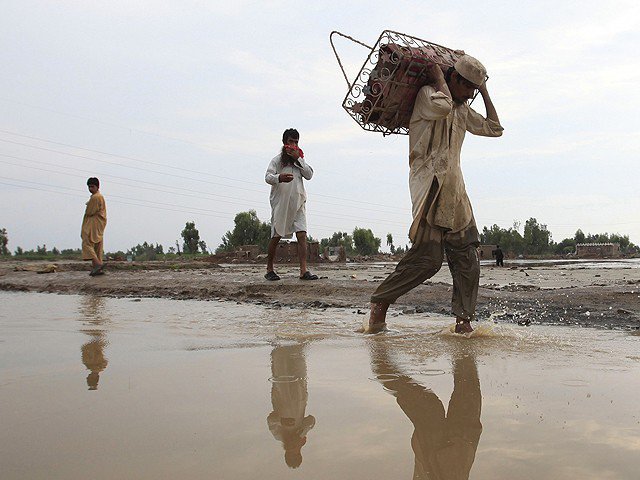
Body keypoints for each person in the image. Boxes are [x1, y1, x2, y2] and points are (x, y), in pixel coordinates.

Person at [364, 54, 503, 334]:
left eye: (474, 91)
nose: (470, 95)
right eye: (467, 88)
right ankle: (380, 302)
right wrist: (438, 76)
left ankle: (464, 322)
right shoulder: (428, 95)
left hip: (455, 191)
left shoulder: (462, 110)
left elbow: (495, 128)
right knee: (427, 259)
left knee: (467, 258)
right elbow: (442, 107)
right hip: (430, 185)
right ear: (454, 79)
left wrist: (484, 90)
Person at [264, 128, 318, 281]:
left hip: (298, 203)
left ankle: (303, 271)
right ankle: (269, 269)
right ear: (284, 143)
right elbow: (267, 177)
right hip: (281, 204)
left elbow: (309, 175)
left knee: (302, 235)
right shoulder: (277, 160)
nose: (293, 145)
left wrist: (299, 160)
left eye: (296, 142)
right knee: (276, 235)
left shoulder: (299, 161)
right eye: (291, 142)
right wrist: (279, 178)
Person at [81, 177, 107, 276]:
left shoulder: (96, 197)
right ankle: (97, 269)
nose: (90, 189)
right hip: (98, 224)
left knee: (87, 242)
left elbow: (90, 211)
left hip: (93, 223)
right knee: (97, 245)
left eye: (92, 187)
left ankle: (98, 264)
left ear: (97, 187)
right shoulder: (98, 197)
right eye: (89, 187)